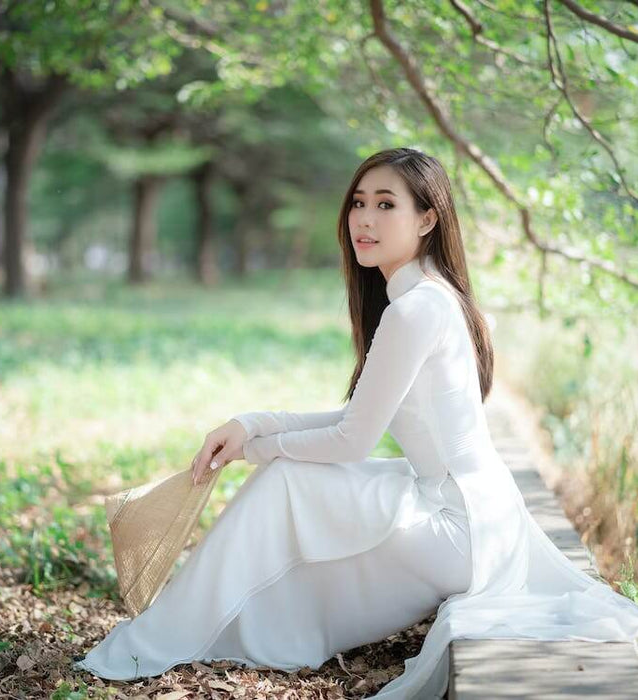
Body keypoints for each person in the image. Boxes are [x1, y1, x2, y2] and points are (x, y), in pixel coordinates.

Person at [72, 148, 638, 699]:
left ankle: (172, 634)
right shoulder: (432, 297)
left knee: (287, 480)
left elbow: (351, 440)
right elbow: (358, 415)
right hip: (477, 514)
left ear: (427, 219)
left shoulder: (415, 310)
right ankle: (215, 627)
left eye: (386, 205)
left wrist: (255, 451)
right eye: (359, 202)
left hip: (456, 528)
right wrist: (254, 424)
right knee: (299, 478)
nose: (364, 219)